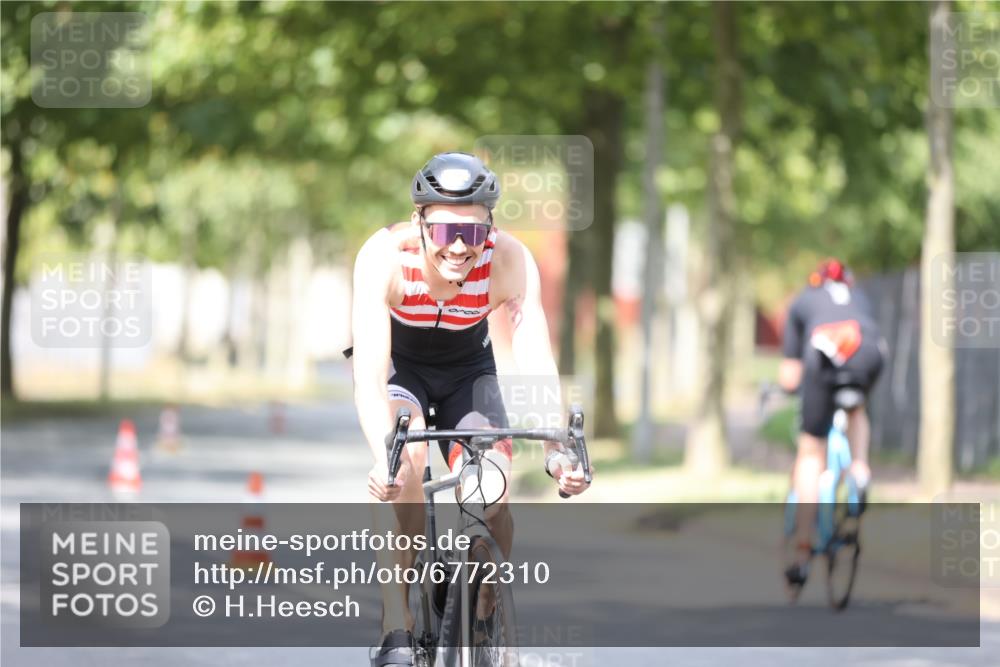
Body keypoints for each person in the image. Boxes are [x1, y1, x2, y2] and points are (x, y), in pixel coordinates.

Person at [349, 152, 591, 666]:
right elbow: (369, 375)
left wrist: (556, 450)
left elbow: (535, 358)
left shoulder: (509, 260)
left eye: (473, 232)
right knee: (407, 461)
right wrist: (383, 459)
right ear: (418, 222)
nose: (459, 246)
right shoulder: (383, 257)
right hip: (404, 370)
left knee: (491, 488)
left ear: (491, 229)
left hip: (468, 373)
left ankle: (487, 592)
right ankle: (397, 621)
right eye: (443, 231)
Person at [778, 258, 886, 587]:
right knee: (856, 410)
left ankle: (802, 549)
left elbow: (789, 376)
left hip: (826, 349)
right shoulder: (860, 296)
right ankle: (860, 470)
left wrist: (788, 388)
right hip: (869, 350)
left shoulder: (803, 301)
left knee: (811, 452)